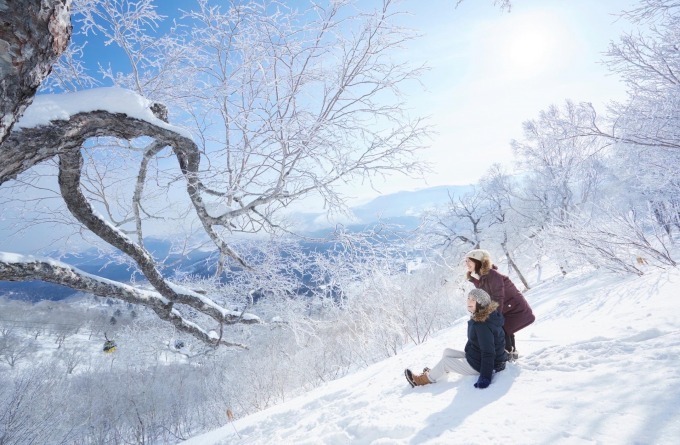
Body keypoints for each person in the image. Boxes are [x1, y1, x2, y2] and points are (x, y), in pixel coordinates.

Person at [404, 288, 507, 388]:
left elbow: (488, 352)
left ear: (481, 304)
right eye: (468, 298)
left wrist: (485, 377)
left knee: (446, 362)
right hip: (476, 356)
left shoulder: (482, 325)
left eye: (473, 300)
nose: (469, 301)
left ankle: (422, 380)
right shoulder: (481, 317)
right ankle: (437, 372)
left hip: (483, 365)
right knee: (447, 352)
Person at [465, 249, 535, 360]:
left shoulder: (492, 274)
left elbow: (497, 296)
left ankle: (506, 356)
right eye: (466, 261)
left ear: (478, 261)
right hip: (506, 307)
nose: (466, 264)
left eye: (469, 261)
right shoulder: (479, 277)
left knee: (498, 326)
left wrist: (492, 316)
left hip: (514, 308)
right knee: (502, 327)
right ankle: (509, 353)